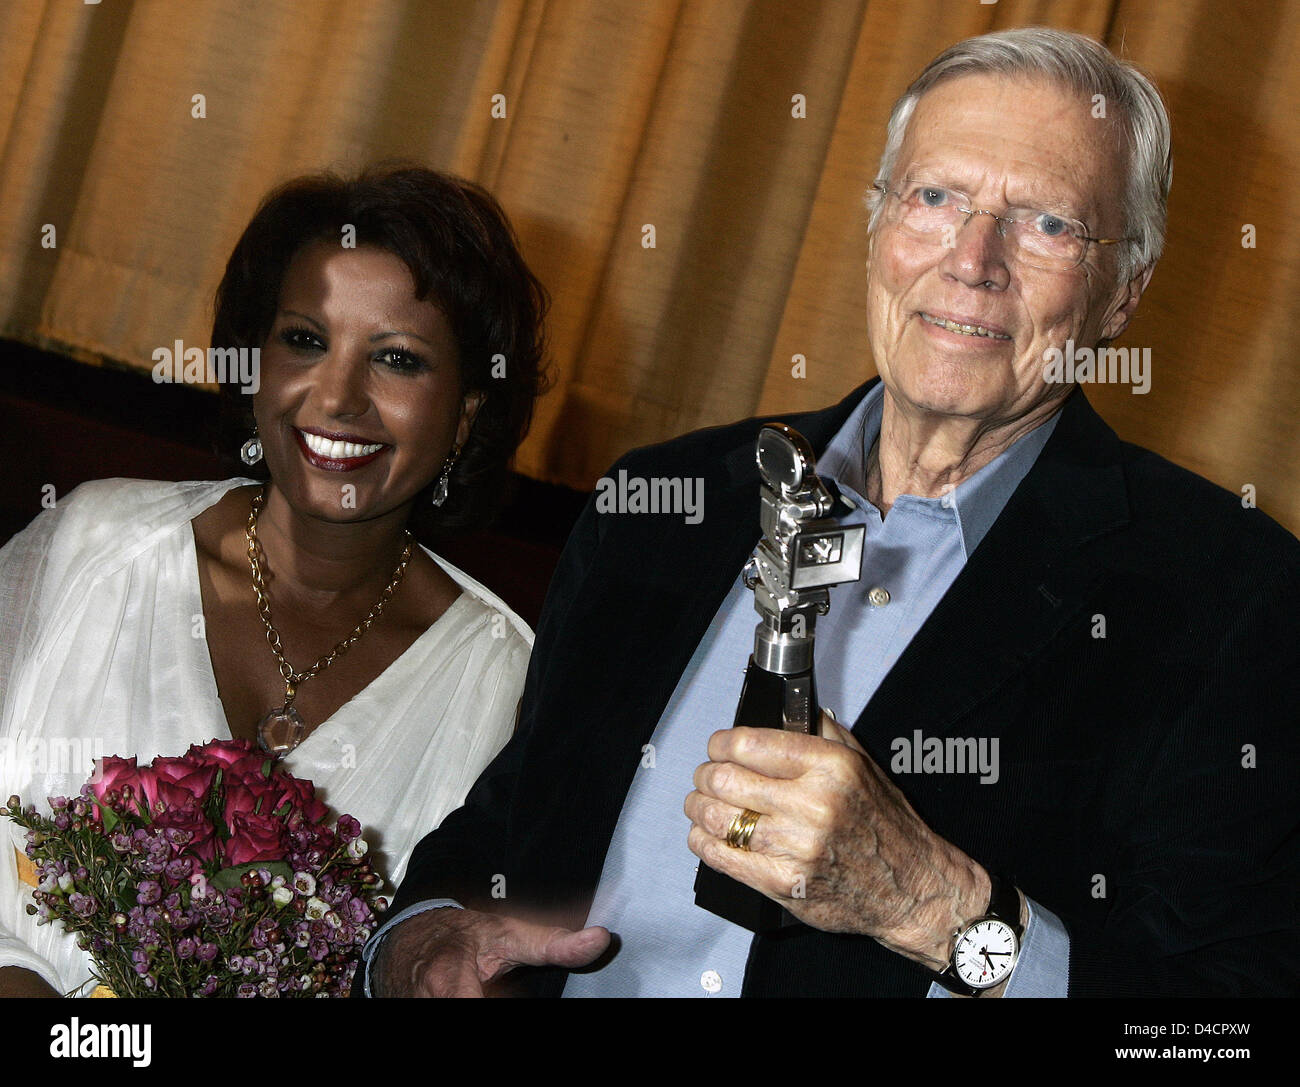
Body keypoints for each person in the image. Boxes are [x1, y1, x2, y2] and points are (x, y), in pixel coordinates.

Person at [366, 28, 1299, 998]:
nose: (973, 260)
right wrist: (417, 941)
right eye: (934, 197)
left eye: (1047, 224)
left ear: (1123, 293)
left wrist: (935, 907)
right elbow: (505, 826)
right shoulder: (661, 504)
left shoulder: (1236, 604)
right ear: (876, 221)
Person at [0, 166, 546, 996]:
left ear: (467, 413)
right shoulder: (96, 543)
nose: (338, 396)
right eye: (305, 340)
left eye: (397, 358)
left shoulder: (505, 685)